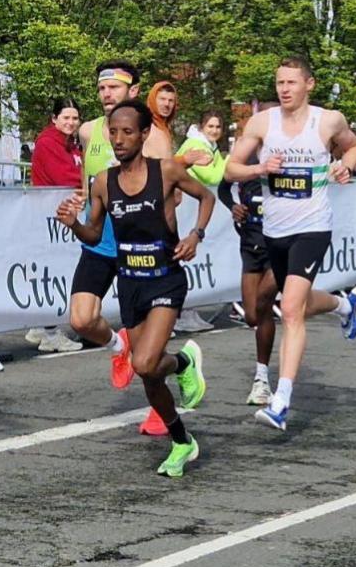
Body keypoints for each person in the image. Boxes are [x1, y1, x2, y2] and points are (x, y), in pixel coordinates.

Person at [56, 99, 216, 477]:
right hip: (130, 283)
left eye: (128, 132)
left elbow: (206, 198)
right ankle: (182, 438)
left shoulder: (168, 171)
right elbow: (95, 233)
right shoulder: (103, 182)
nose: (119, 139)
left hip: (165, 279)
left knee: (143, 361)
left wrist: (196, 235)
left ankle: (182, 364)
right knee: (148, 372)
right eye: (113, 132)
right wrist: (74, 224)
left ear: (144, 135)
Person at [225, 56, 356, 432]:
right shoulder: (261, 122)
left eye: (291, 82)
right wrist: (259, 169)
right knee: (296, 302)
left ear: (309, 85)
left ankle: (281, 400)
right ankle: (344, 304)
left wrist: (345, 166)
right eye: (279, 83)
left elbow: (355, 147)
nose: (284, 89)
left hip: (313, 227)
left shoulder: (328, 120)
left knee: (289, 309)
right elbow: (230, 168)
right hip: (275, 231)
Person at [71, 60, 141, 390]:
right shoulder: (87, 130)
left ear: (134, 91)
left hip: (136, 244)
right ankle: (117, 346)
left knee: (147, 345)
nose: (106, 93)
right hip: (99, 239)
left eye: (113, 87)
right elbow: (88, 180)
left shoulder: (149, 134)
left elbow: (171, 193)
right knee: (82, 319)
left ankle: (166, 398)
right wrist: (81, 200)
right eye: (101, 88)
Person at [212, 104, 280, 406]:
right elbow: (223, 188)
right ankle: (338, 305)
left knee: (264, 304)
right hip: (251, 243)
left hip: (281, 244)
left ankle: (262, 378)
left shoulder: (289, 152)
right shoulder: (246, 155)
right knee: (252, 314)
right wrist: (233, 208)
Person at [26, 96, 84, 352]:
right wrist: (93, 181)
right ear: (54, 119)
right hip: (51, 213)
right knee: (55, 268)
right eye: (66, 118)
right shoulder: (48, 142)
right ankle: (49, 330)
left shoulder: (72, 144)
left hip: (65, 213)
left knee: (60, 266)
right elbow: (65, 176)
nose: (71, 123)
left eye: (74, 118)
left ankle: (41, 325)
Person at [173, 110, 229, 333]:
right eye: (210, 127)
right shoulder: (195, 146)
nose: (214, 131)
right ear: (202, 127)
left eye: (218, 127)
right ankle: (180, 313)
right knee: (183, 258)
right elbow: (212, 177)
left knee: (194, 260)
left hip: (195, 209)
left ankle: (189, 310)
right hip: (184, 209)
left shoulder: (210, 146)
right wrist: (231, 159)